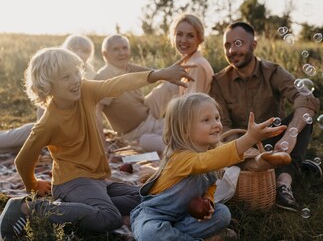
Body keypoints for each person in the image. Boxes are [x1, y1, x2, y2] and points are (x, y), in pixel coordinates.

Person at [0, 47, 194, 240]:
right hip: (71, 182)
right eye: (66, 76)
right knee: (109, 218)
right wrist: (33, 185)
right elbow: (23, 160)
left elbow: (115, 84)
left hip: (98, 180)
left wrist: (158, 74)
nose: (75, 79)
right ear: (47, 85)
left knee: (146, 196)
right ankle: (29, 208)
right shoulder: (47, 124)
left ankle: (87, 207)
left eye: (76, 72)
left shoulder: (85, 90)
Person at [130, 93, 286, 241]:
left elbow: (210, 186)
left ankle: (175, 234)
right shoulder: (180, 158)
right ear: (185, 130)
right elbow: (205, 161)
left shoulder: (211, 157)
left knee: (222, 214)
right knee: (150, 233)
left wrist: (208, 201)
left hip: (186, 216)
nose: (216, 124)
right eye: (206, 120)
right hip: (155, 215)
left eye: (217, 118)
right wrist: (249, 139)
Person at [210, 21, 321, 212]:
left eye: (238, 44)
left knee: (303, 118)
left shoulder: (273, 72)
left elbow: (305, 98)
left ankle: (282, 184)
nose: (231, 51)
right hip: (242, 146)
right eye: (227, 45)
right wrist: (246, 150)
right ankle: (292, 165)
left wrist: (291, 134)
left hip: (276, 141)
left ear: (253, 45)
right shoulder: (219, 82)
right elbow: (224, 127)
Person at [0, 34, 96, 154]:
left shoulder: (91, 75)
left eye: (85, 51)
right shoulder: (54, 70)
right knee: (27, 135)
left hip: (72, 129)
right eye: (75, 49)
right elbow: (43, 110)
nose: (80, 53)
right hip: (50, 127)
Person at [138, 13, 215, 152]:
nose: (183, 40)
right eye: (179, 34)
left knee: (143, 140)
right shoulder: (189, 62)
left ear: (199, 39)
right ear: (173, 36)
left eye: (190, 36)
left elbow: (192, 111)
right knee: (145, 137)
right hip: (187, 127)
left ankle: (179, 150)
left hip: (193, 135)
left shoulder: (196, 65)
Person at [94, 34, 179, 153]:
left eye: (124, 48)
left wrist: (171, 71)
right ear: (105, 54)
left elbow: (156, 74)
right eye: (116, 49)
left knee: (173, 85)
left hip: (148, 112)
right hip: (136, 131)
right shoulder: (104, 77)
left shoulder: (127, 67)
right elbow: (96, 112)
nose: (122, 53)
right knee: (179, 135)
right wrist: (104, 146)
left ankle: (192, 112)